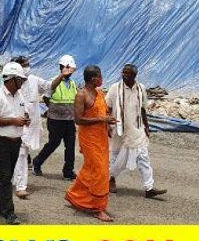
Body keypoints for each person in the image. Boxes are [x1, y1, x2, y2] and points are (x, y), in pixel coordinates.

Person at [106, 64, 167, 199]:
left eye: (127, 73)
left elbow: (143, 109)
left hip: (136, 129)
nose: (124, 75)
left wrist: (146, 126)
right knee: (115, 155)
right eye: (123, 72)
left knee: (143, 157)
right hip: (119, 128)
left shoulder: (141, 89)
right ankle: (110, 179)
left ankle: (149, 187)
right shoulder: (115, 88)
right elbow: (107, 107)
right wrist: (107, 125)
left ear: (134, 75)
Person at [66, 65, 117, 222]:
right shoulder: (82, 95)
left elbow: (103, 112)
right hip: (89, 139)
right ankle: (98, 208)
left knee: (90, 169)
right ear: (93, 78)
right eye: (100, 76)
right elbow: (78, 119)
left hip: (101, 137)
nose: (101, 79)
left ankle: (74, 196)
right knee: (101, 172)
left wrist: (107, 125)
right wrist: (102, 120)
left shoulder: (100, 93)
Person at [0, 62, 29, 225]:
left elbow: (21, 114)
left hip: (15, 142)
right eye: (20, 79)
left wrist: (25, 120)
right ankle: (8, 213)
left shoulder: (19, 96)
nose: (22, 82)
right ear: (11, 79)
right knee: (5, 178)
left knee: (5, 176)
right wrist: (13, 121)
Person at [10, 56, 51, 199]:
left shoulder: (34, 80)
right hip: (13, 124)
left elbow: (49, 86)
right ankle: (20, 185)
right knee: (18, 154)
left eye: (28, 65)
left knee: (21, 153)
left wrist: (62, 75)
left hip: (30, 126)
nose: (28, 68)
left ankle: (18, 182)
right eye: (24, 65)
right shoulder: (10, 85)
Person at [33, 55, 79, 180]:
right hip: (56, 121)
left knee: (70, 147)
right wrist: (51, 110)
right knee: (53, 144)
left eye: (71, 70)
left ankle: (68, 171)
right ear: (61, 68)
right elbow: (46, 97)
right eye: (67, 69)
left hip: (69, 120)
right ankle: (37, 162)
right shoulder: (54, 81)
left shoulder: (73, 83)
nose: (70, 72)